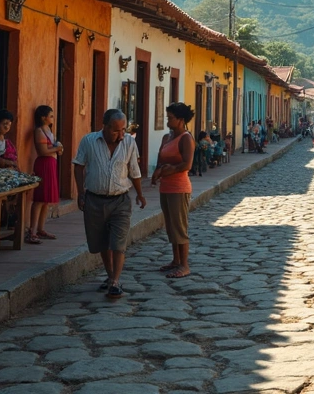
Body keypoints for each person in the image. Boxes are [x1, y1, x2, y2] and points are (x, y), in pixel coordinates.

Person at [72, 109, 147, 298]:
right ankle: (111, 275)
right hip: (95, 200)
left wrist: (140, 194)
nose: (120, 135)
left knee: (118, 242)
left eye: (123, 130)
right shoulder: (89, 141)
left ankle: (115, 281)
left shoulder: (129, 142)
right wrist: (80, 193)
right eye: (115, 130)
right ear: (104, 127)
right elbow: (78, 166)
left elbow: (134, 171)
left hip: (120, 200)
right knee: (102, 242)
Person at [151, 103, 194, 280]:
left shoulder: (186, 138)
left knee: (179, 226)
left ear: (181, 120)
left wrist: (170, 170)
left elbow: (187, 164)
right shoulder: (166, 138)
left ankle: (184, 265)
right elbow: (161, 159)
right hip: (166, 187)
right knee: (170, 226)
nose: (167, 120)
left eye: (170, 118)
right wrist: (158, 171)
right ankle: (175, 260)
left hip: (179, 188)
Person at [30, 105, 63, 245]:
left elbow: (52, 148)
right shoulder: (39, 131)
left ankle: (41, 229)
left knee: (46, 199)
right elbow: (43, 151)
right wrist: (57, 148)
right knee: (40, 198)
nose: (52, 118)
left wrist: (58, 149)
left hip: (51, 163)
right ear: (43, 117)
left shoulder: (48, 130)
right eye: (51, 116)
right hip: (44, 164)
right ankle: (32, 231)